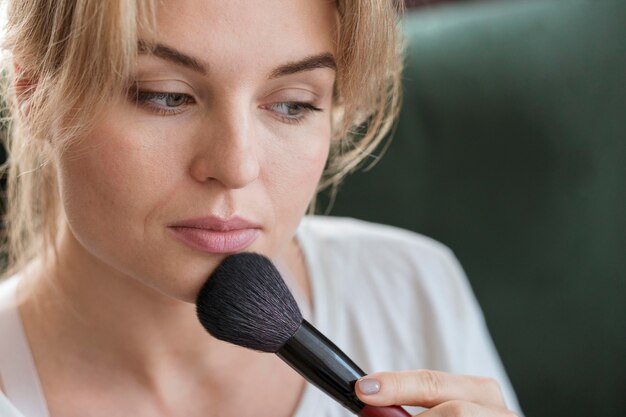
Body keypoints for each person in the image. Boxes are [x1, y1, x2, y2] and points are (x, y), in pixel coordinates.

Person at [0, 1, 523, 416]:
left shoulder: (412, 290)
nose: (237, 165)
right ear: (33, 94)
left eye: (293, 104)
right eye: (164, 95)